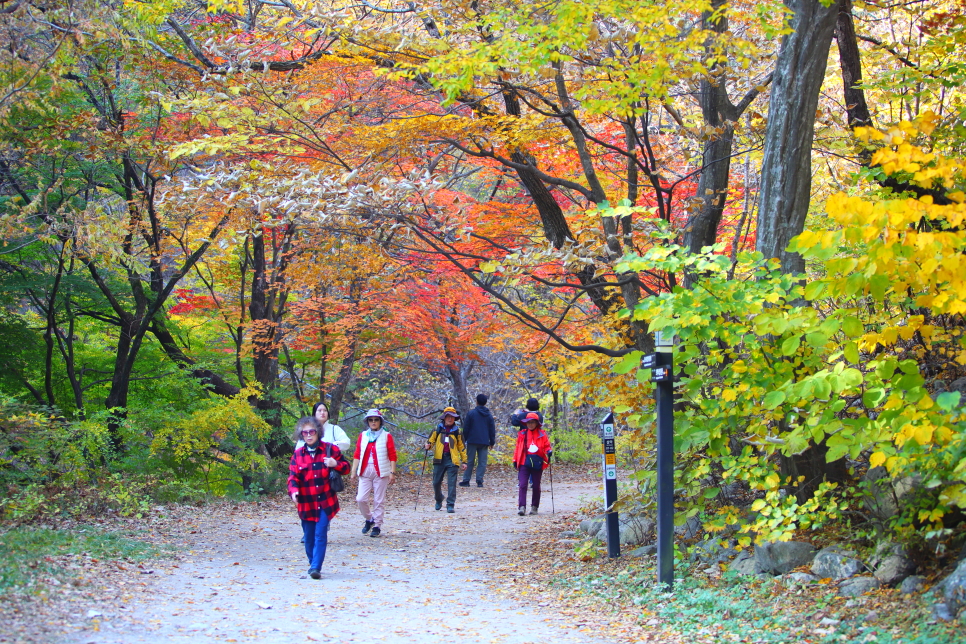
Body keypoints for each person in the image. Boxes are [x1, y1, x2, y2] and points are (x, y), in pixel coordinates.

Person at [288, 416, 350, 579]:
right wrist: (294, 491)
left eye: (312, 431)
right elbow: (292, 477)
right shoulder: (297, 455)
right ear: (301, 435)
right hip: (306, 501)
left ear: (318, 432)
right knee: (308, 536)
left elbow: (347, 468)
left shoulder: (331, 449)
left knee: (320, 533)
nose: (308, 435)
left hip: (325, 500)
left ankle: (316, 567)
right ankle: (312, 562)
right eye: (305, 432)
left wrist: (335, 464)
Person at [351, 409, 397, 538]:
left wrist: (392, 472)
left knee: (378, 499)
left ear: (380, 421)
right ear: (367, 421)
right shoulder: (363, 435)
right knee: (360, 498)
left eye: (376, 419)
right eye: (370, 420)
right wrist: (353, 471)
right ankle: (369, 518)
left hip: (381, 470)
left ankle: (377, 525)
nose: (373, 422)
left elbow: (392, 455)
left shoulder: (386, 435)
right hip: (365, 470)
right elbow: (357, 453)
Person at [425, 407, 467, 513]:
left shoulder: (457, 431)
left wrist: (464, 461)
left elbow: (462, 447)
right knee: (436, 482)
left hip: (452, 459)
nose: (450, 419)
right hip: (439, 458)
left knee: (452, 483)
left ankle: (450, 504)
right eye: (448, 416)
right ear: (444, 418)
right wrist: (428, 445)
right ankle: (439, 499)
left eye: (452, 417)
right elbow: (431, 441)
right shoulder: (437, 429)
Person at [513, 412, 552, 516]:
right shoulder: (522, 434)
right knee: (523, 484)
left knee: (535, 485)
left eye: (532, 422)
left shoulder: (542, 434)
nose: (530, 424)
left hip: (537, 462)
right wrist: (515, 460)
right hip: (523, 461)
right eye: (528, 422)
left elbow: (547, 446)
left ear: (536, 423)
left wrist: (549, 451)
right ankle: (522, 507)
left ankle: (534, 507)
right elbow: (517, 448)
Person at [460, 394, 496, 488]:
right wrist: (492, 442)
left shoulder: (471, 413)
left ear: (476, 401)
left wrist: (464, 439)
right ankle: (479, 481)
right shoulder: (489, 415)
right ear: (485, 402)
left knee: (470, 460)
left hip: (472, 440)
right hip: (484, 441)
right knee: (482, 462)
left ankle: (466, 480)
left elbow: (466, 427)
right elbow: (492, 429)